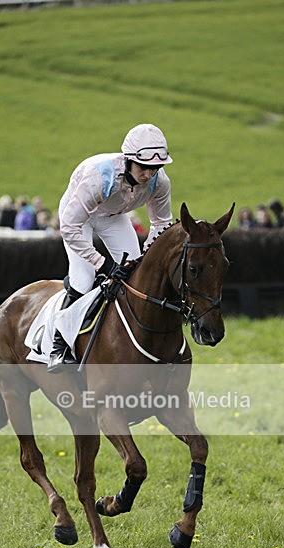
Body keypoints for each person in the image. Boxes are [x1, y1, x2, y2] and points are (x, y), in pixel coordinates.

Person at [48, 122, 173, 371]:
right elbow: (69, 227)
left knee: (136, 276)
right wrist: (101, 263)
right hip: (78, 218)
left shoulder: (160, 182)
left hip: (113, 216)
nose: (149, 175)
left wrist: (145, 256)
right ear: (128, 160)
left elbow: (161, 223)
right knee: (83, 279)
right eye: (143, 167)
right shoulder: (99, 177)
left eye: (155, 167)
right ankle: (58, 346)